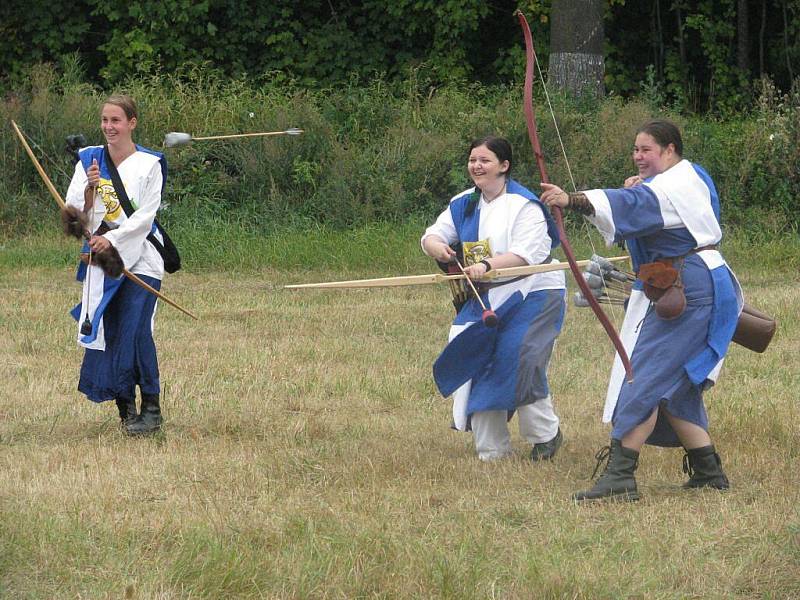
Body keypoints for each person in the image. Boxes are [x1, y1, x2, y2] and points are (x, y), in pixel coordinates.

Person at [540, 119, 741, 501]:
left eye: (646, 150)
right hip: (697, 282)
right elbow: (647, 202)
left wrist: (571, 200)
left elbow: (635, 205)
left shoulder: (668, 188)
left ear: (669, 150)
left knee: (642, 376)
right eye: (635, 150)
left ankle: (620, 476)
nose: (637, 157)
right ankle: (707, 471)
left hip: (688, 288)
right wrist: (645, 186)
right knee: (676, 383)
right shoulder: (691, 177)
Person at [421, 136, 566, 462]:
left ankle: (546, 435)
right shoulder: (464, 202)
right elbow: (432, 235)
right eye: (473, 160)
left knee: (519, 356)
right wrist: (439, 248)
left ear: (504, 165)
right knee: (477, 356)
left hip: (535, 290)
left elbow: (526, 255)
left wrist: (486, 265)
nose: (476, 166)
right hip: (487, 295)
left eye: (484, 160)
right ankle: (492, 451)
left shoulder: (526, 205)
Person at [63, 94, 168, 435]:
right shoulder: (90, 160)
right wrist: (91, 190)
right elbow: (74, 211)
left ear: (132, 123)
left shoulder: (150, 164)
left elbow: (145, 218)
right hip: (103, 261)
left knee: (135, 331)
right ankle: (127, 409)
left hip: (143, 258)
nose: (109, 127)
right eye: (105, 120)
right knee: (111, 331)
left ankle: (151, 409)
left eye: (116, 121)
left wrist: (114, 239)